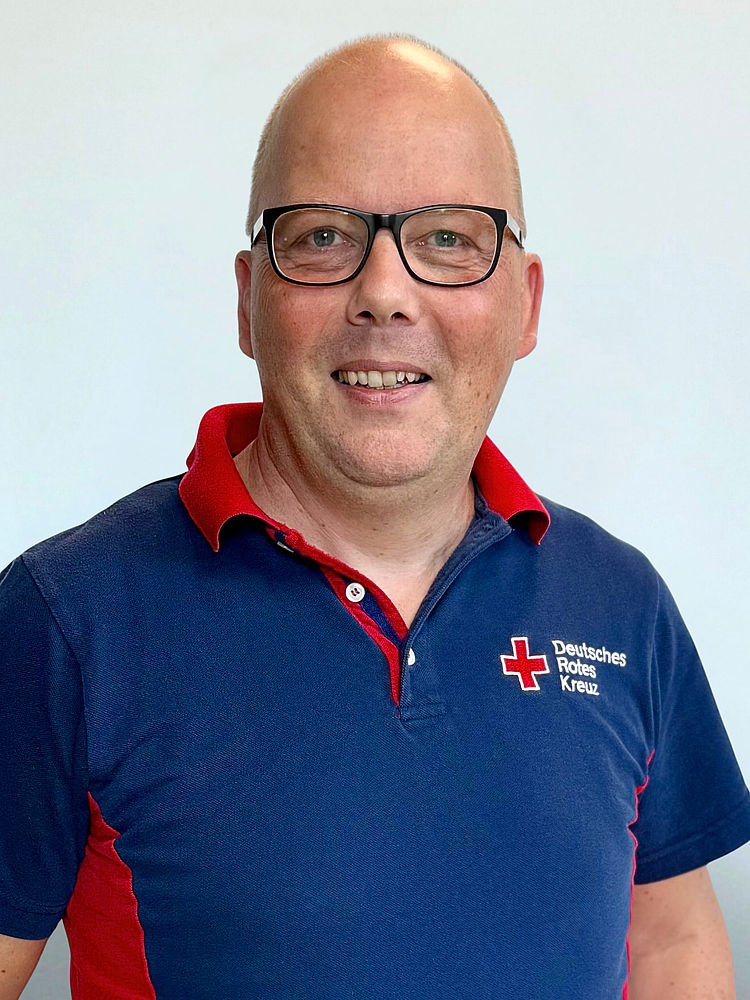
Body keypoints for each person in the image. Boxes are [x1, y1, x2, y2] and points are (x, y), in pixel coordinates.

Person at [1, 34, 748, 1000]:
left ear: (525, 306)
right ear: (248, 301)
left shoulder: (622, 603)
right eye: (322, 237)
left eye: (449, 238)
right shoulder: (65, 620)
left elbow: (673, 940)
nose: (385, 295)